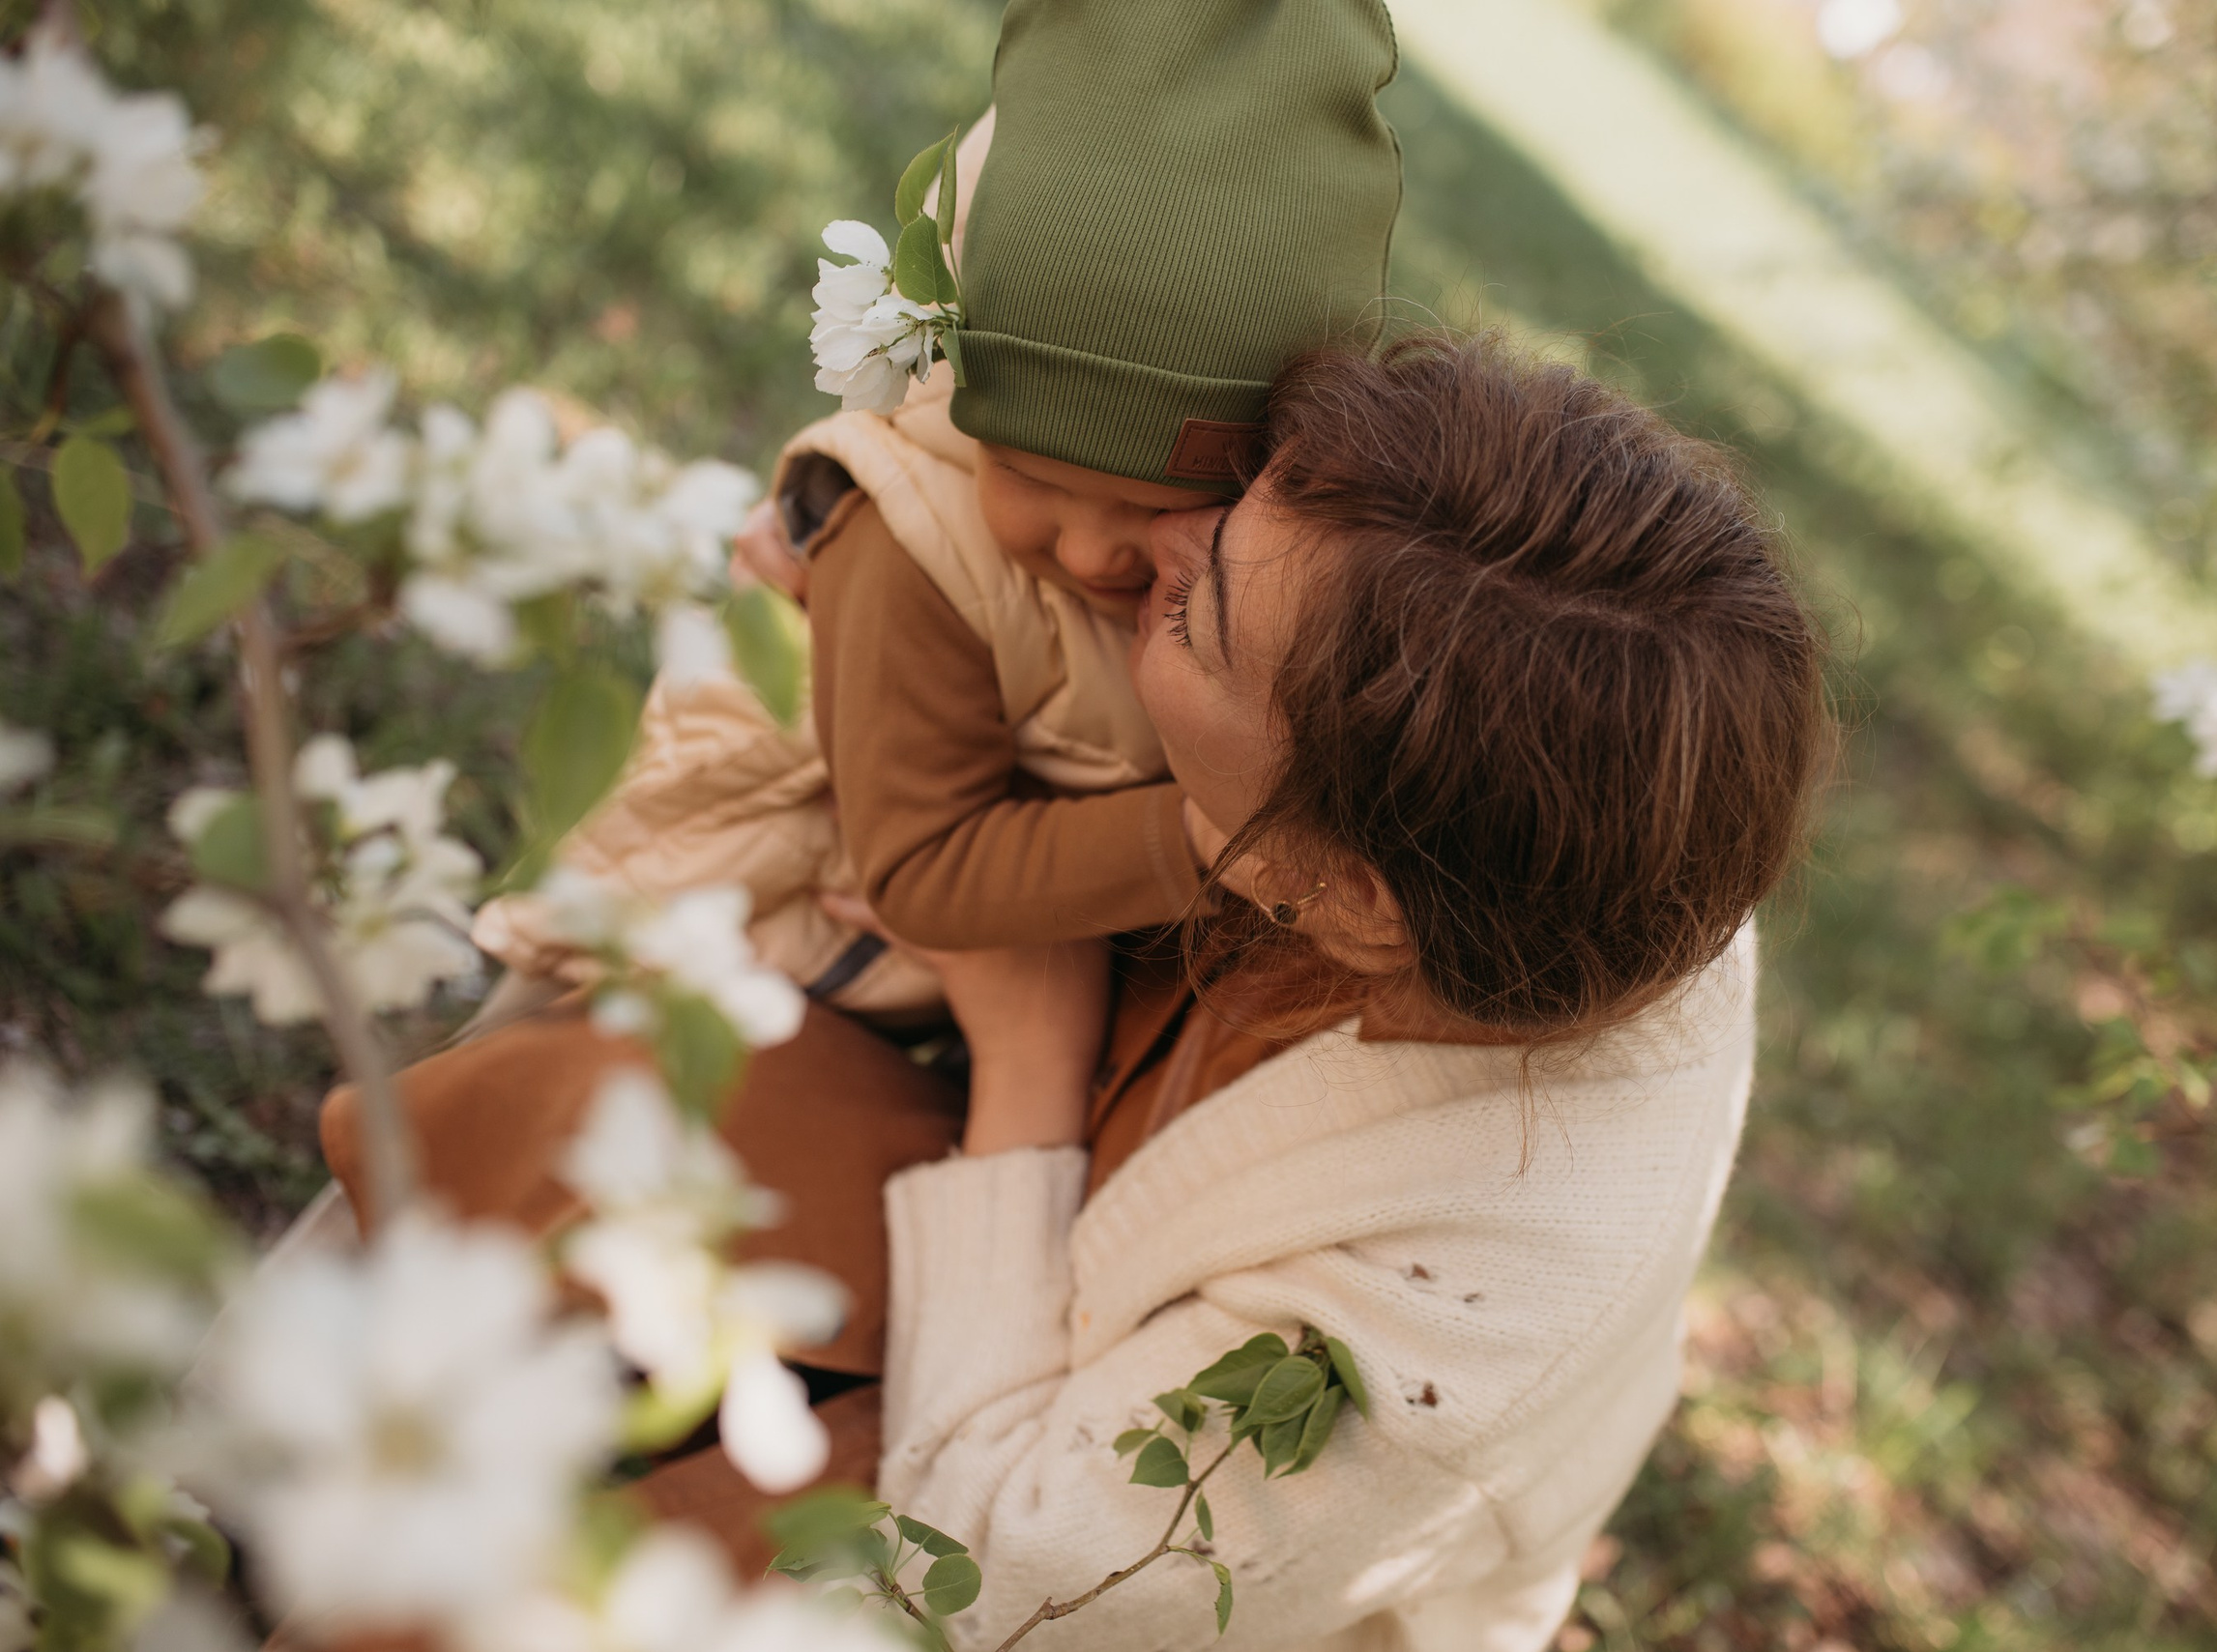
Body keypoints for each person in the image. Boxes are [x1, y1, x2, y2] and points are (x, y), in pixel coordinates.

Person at [327, 327, 1831, 1650]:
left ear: (1353, 896)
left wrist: (1031, 1060)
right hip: (1059, 1209)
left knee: (669, 1588)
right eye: (1236, 501)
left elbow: (984, 1576)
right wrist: (887, 579)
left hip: (1075, 1554)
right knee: (605, 1102)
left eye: (1198, 615)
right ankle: (295, 1441)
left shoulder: (1423, 1360)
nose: (1158, 552)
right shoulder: (1589, 808)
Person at [469, 0, 1402, 1022]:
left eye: (1162, 503)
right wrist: (1196, 837)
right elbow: (923, 866)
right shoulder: (910, 548)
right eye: (1030, 475)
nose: (1091, 550)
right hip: (674, 959)